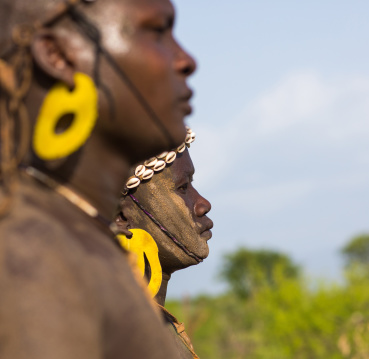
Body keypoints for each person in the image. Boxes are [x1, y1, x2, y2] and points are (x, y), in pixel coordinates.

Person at [0, 0, 197, 358]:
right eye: (156, 30)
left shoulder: (75, 238)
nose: (186, 60)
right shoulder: (29, 256)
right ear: (58, 55)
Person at [116, 129, 213, 359]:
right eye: (182, 188)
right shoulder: (119, 338)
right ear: (121, 217)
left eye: (192, 184)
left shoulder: (152, 328)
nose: (203, 204)